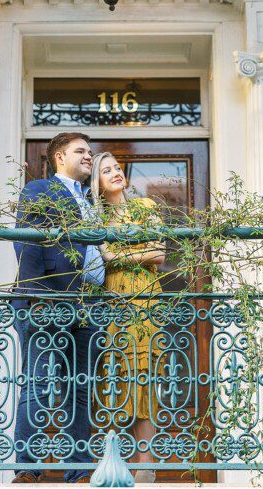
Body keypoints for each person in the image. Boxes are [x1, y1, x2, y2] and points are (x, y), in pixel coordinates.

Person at [12, 132, 105, 484]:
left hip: (87, 303)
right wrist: (34, 296)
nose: (89, 156)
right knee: (37, 383)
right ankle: (28, 468)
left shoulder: (90, 202)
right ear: (59, 158)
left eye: (90, 152)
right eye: (80, 151)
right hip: (47, 300)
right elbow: (28, 243)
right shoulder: (40, 190)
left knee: (78, 386)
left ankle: (78, 469)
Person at [89, 151, 166, 484]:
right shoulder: (96, 220)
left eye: (117, 168)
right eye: (107, 171)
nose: (116, 173)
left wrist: (119, 254)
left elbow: (159, 253)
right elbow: (101, 258)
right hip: (113, 301)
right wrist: (133, 254)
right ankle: (113, 464)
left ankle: (145, 465)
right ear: (98, 183)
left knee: (144, 377)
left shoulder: (145, 208)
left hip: (146, 299)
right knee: (116, 377)